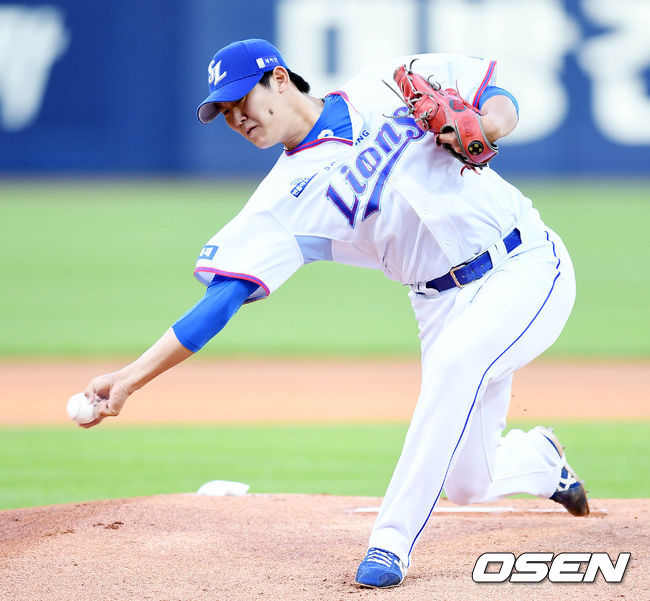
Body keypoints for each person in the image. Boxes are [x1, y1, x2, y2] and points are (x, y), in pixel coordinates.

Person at [81, 38, 589, 589]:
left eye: (240, 100)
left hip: (526, 262)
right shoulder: (279, 204)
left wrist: (489, 124)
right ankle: (540, 459)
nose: (236, 118)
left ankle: (390, 542)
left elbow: (497, 95)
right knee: (470, 483)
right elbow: (219, 301)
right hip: (438, 302)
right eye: (223, 112)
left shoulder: (384, 83)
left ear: (279, 79)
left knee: (455, 366)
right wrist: (130, 377)